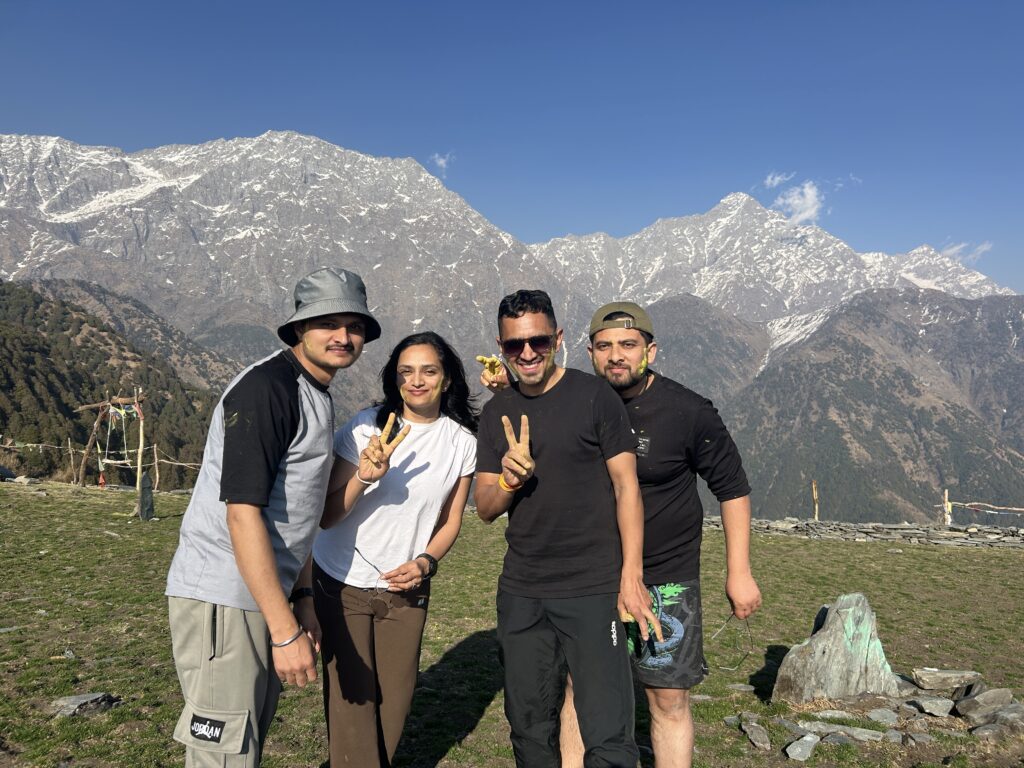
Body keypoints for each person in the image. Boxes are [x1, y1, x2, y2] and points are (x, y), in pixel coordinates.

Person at [165, 266, 380, 767]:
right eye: (328, 323)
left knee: (246, 744)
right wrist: (284, 631)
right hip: (225, 596)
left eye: (354, 326)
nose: (343, 336)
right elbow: (242, 516)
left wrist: (301, 598)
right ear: (299, 327)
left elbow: (299, 514)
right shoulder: (266, 389)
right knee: (224, 753)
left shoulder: (314, 393)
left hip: (261, 595)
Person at [559, 301, 762, 768]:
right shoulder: (577, 404)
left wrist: (739, 572)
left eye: (628, 345)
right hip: (591, 573)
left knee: (667, 699)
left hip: (666, 576)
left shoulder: (688, 411)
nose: (616, 356)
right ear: (589, 353)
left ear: (650, 351)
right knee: (577, 687)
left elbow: (732, 489)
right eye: (604, 346)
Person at [474, 288, 662, 768]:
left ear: (557, 339)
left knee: (609, 731)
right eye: (514, 345)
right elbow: (485, 507)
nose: (527, 353)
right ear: (501, 347)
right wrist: (510, 480)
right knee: (528, 726)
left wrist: (631, 576)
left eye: (538, 341)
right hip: (523, 590)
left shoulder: (595, 397)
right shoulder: (496, 412)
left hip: (592, 587)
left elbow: (626, 487)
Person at [311, 331, 478, 768]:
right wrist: (364, 477)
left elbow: (451, 520)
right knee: (354, 708)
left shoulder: (462, 442)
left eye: (428, 371)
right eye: (406, 372)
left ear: (447, 379)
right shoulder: (367, 427)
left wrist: (426, 562)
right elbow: (327, 515)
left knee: (393, 708)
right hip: (342, 581)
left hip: (406, 589)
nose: (416, 381)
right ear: (394, 379)